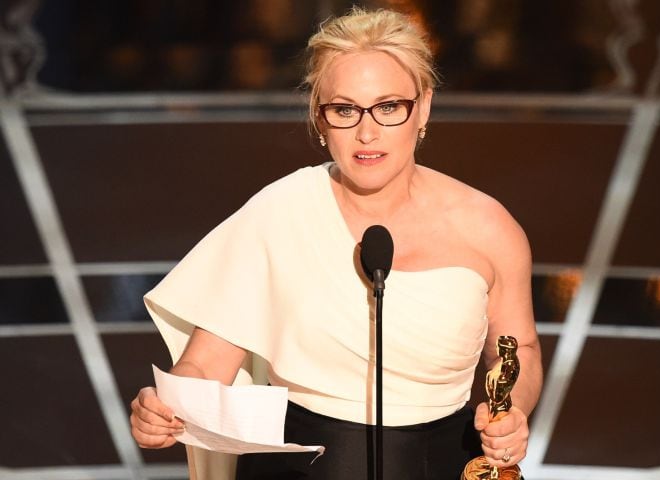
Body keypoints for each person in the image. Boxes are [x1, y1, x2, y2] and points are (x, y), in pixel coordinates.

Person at [129, 7, 542, 480]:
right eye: (345, 110)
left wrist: (512, 412)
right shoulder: (279, 212)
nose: (367, 132)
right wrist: (162, 407)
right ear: (320, 120)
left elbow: (519, 349)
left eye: (388, 107)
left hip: (444, 464)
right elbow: (203, 366)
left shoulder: (489, 227)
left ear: (423, 108)